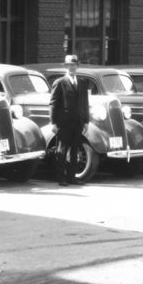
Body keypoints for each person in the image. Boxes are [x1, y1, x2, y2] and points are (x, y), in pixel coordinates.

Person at [49, 54, 89, 186]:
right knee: (62, 150)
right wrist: (53, 122)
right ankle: (61, 178)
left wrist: (86, 121)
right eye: (69, 65)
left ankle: (72, 177)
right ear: (66, 67)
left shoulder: (82, 83)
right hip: (64, 123)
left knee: (74, 151)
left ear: (77, 66)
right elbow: (53, 103)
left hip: (78, 122)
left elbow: (85, 103)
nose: (71, 68)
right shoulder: (60, 83)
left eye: (73, 65)